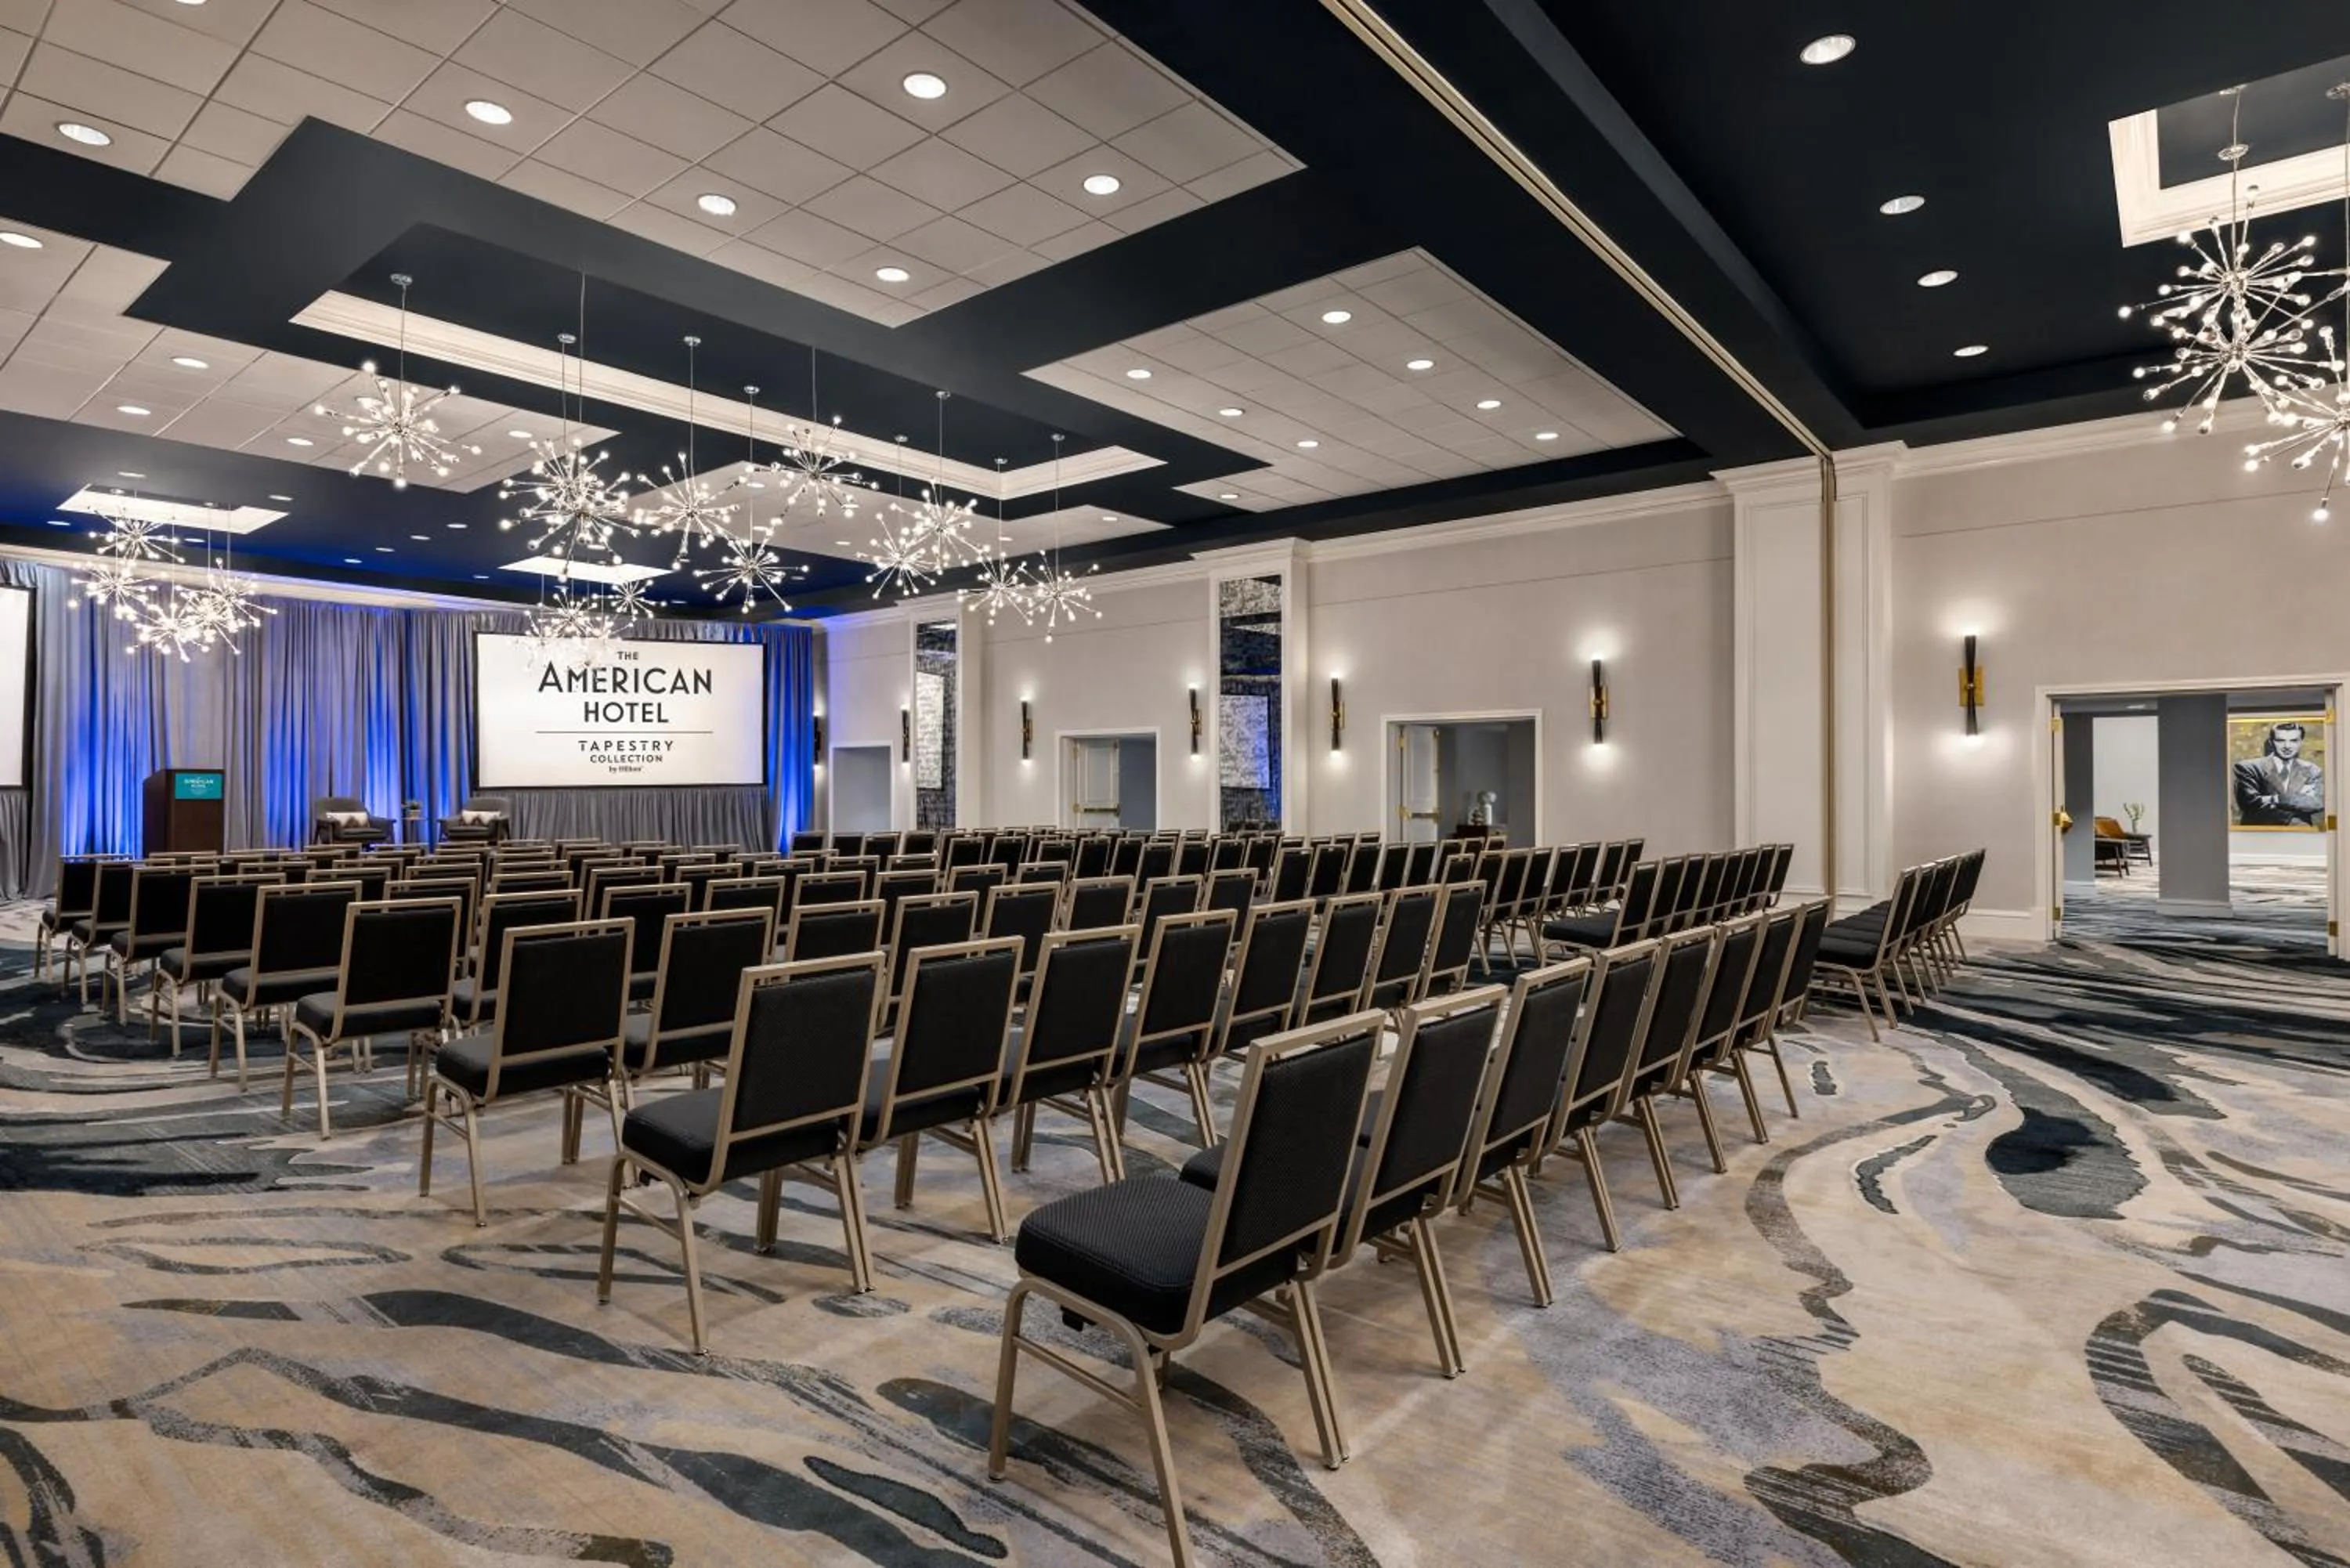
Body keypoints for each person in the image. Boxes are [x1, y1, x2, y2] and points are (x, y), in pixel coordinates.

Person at [2232, 721, 2325, 827]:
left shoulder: (2312, 770)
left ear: (2301, 742)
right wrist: (2298, 800)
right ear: (2271, 742)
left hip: (2300, 837)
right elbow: (2249, 804)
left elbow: (2317, 803)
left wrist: (2275, 799)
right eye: (2281, 741)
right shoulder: (2249, 768)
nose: (2287, 746)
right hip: (2259, 835)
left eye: (2294, 741)